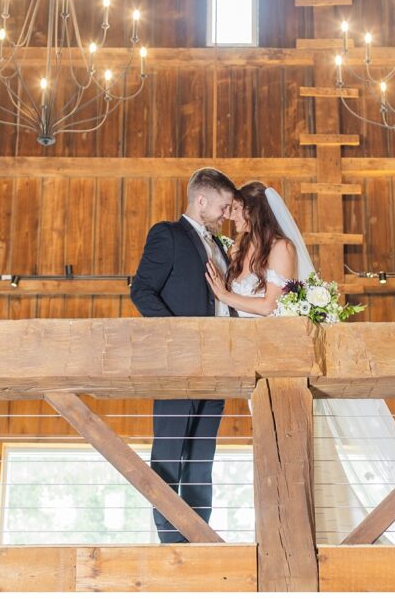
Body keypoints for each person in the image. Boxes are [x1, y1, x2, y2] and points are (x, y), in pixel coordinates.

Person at [205, 181, 395, 545]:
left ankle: (323, 532)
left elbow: (268, 305)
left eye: (236, 207)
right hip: (252, 362)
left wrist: (224, 294)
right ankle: (285, 533)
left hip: (279, 360)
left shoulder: (280, 248)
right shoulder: (239, 248)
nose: (230, 214)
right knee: (272, 444)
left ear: (253, 210)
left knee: (301, 441)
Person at [129, 167, 237, 543]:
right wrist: (180, 340)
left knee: (202, 459)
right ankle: (169, 542)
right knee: (170, 453)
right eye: (223, 207)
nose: (226, 215)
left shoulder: (222, 247)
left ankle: (197, 539)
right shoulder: (168, 234)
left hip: (219, 366)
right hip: (179, 363)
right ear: (201, 199)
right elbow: (142, 291)